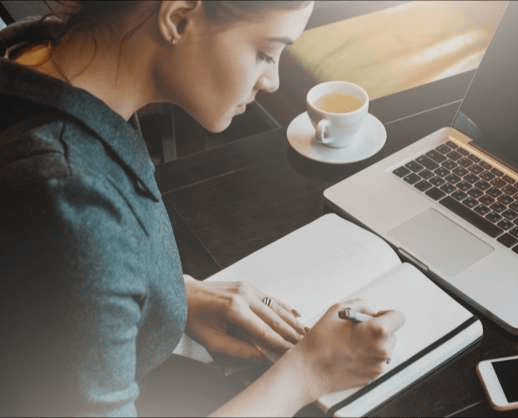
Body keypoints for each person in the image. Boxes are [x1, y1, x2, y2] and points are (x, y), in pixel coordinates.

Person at [0, 1, 405, 416]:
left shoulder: (37, 51)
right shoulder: (70, 200)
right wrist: (308, 372)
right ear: (177, 18)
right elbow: (69, 232)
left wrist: (167, 295)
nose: (273, 81)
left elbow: (35, 278)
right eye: (265, 52)